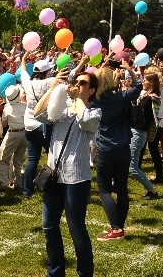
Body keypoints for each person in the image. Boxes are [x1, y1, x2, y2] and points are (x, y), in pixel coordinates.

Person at [33, 66, 101, 277]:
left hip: (76, 178)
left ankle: (84, 273)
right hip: (54, 175)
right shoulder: (62, 110)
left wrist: (76, 99)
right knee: (49, 226)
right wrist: (54, 87)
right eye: (76, 82)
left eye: (83, 84)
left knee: (76, 229)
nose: (77, 86)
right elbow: (38, 114)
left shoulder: (94, 111)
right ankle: (55, 272)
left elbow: (87, 122)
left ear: (92, 90)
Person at [91, 60, 141, 241]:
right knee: (121, 188)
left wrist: (101, 68)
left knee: (104, 189)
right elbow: (138, 87)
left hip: (105, 147)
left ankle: (116, 227)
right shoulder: (120, 97)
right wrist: (130, 70)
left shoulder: (94, 99)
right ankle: (119, 225)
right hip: (123, 146)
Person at [21, 58, 56, 199]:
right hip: (44, 125)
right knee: (53, 157)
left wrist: (23, 58)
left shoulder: (27, 82)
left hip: (29, 125)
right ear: (46, 72)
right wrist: (82, 63)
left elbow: (23, 71)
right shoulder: (48, 82)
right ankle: (51, 187)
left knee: (32, 160)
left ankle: (27, 191)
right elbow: (69, 75)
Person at [130, 72, 160, 200]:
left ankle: (151, 191)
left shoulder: (149, 100)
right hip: (137, 132)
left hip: (139, 133)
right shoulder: (149, 97)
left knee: (133, 167)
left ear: (151, 83)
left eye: (145, 81)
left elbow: (137, 114)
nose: (143, 82)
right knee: (127, 162)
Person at [0, 84, 28, 191]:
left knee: (5, 159)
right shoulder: (24, 106)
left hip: (13, 134)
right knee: (18, 160)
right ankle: (18, 183)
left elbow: (4, 124)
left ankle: (4, 183)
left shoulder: (7, 108)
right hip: (24, 134)